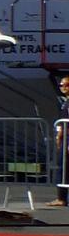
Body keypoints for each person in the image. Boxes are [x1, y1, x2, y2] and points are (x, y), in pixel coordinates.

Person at [49, 74, 69, 207]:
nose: (61, 87)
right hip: (64, 140)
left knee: (65, 169)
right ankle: (61, 197)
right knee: (62, 169)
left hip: (68, 141)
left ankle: (62, 198)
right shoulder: (65, 102)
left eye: (64, 85)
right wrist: (58, 138)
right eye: (61, 84)